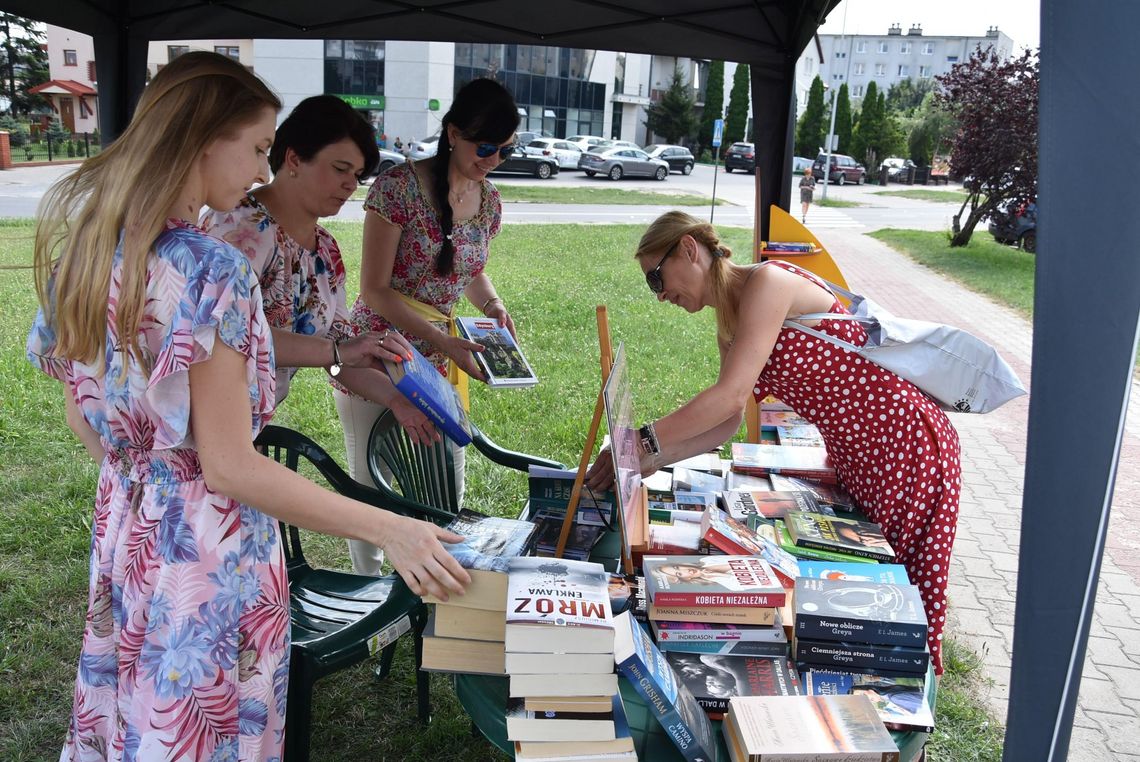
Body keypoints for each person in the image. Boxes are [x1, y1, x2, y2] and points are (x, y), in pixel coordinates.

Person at [27, 52, 469, 760]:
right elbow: (230, 468)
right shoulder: (212, 266)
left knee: (134, 717)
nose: (263, 172)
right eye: (259, 148)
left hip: (128, 527)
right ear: (203, 137)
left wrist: (148, 486)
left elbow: (82, 411)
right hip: (209, 550)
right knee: (202, 732)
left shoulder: (85, 248)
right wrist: (392, 529)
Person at [586, 210, 961, 675]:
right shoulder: (732, 319)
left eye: (656, 279)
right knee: (873, 607)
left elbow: (731, 394)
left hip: (904, 445)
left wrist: (641, 440)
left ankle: (907, 729)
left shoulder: (768, 282)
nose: (661, 296)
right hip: (861, 454)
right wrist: (650, 460)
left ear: (688, 249)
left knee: (897, 602)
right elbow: (727, 422)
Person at [333, 77, 520, 575]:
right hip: (377, 354)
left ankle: (434, 592)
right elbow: (374, 290)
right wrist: (441, 339)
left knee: (443, 481)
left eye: (505, 150)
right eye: (485, 147)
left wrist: (494, 306)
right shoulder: (397, 188)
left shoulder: (489, 200)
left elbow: (471, 270)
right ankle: (373, 599)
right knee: (371, 488)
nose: (493, 159)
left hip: (441, 358)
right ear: (453, 133)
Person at [201, 95, 438, 444]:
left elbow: (339, 353)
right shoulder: (238, 229)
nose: (350, 184)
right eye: (341, 169)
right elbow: (228, 337)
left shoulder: (325, 249)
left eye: (357, 175)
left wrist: (395, 396)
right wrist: (340, 352)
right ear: (294, 158)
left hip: (248, 426)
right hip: (198, 428)